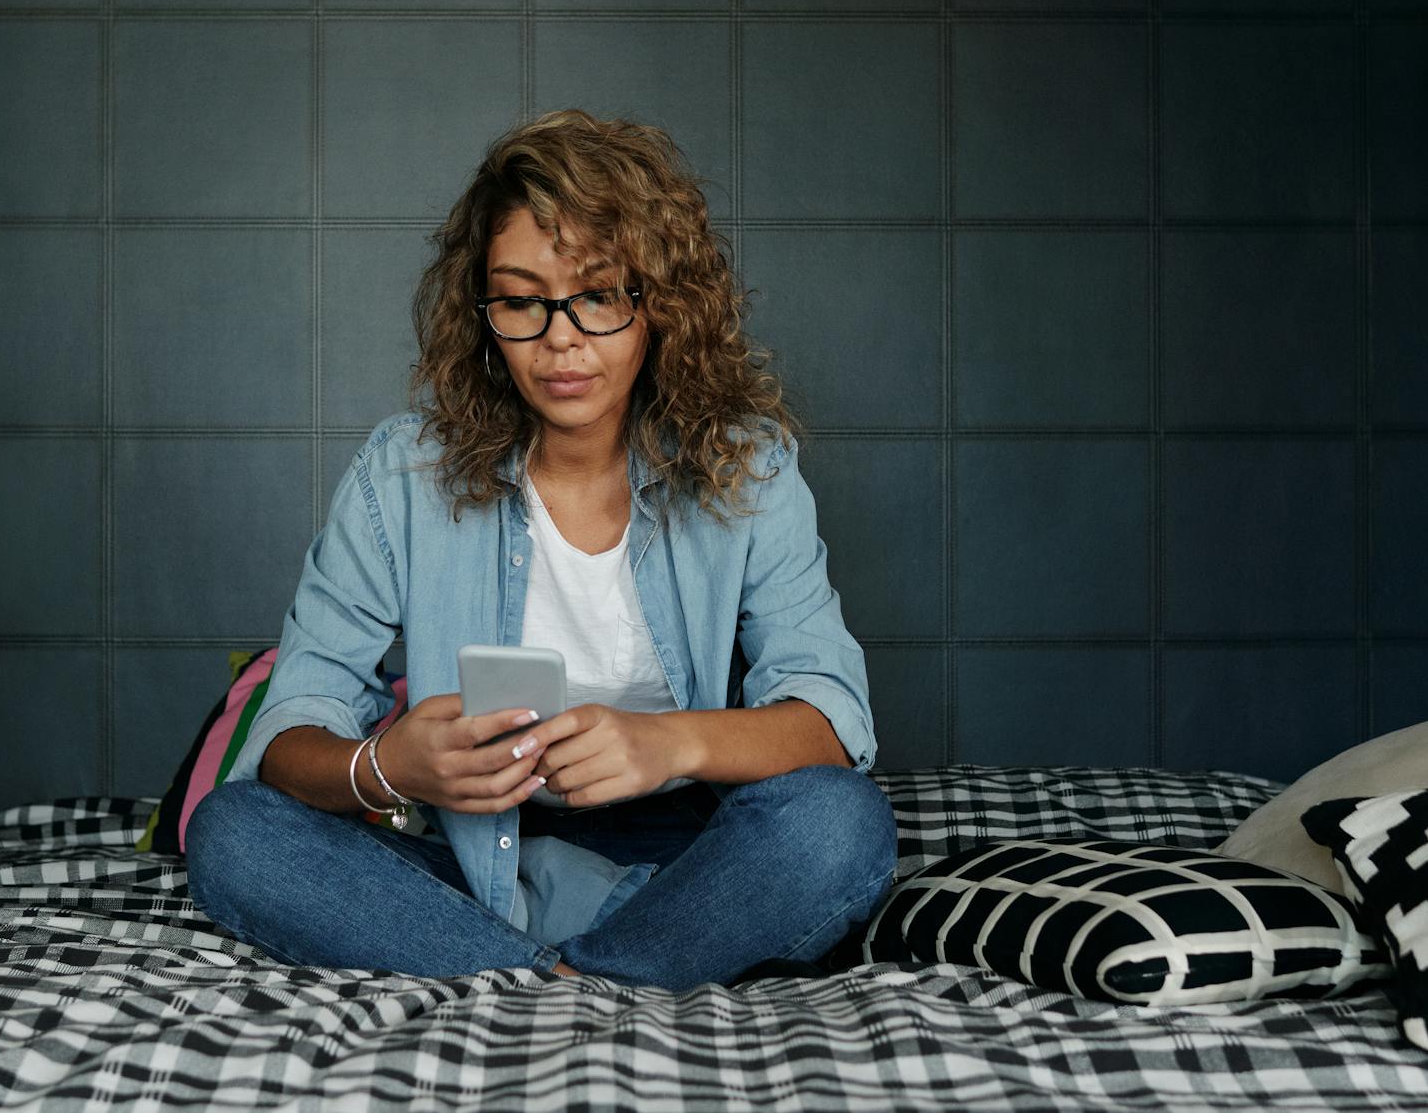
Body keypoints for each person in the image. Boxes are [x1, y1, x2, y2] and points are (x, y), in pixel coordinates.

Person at [186, 111, 896, 987]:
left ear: (658, 303)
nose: (561, 337)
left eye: (599, 295)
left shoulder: (747, 468)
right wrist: (388, 764)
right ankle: (581, 980)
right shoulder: (401, 472)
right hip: (462, 854)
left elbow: (830, 719)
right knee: (234, 834)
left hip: (682, 865)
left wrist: (667, 744)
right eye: (522, 299)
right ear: (485, 314)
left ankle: (529, 976)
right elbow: (293, 728)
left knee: (841, 824)